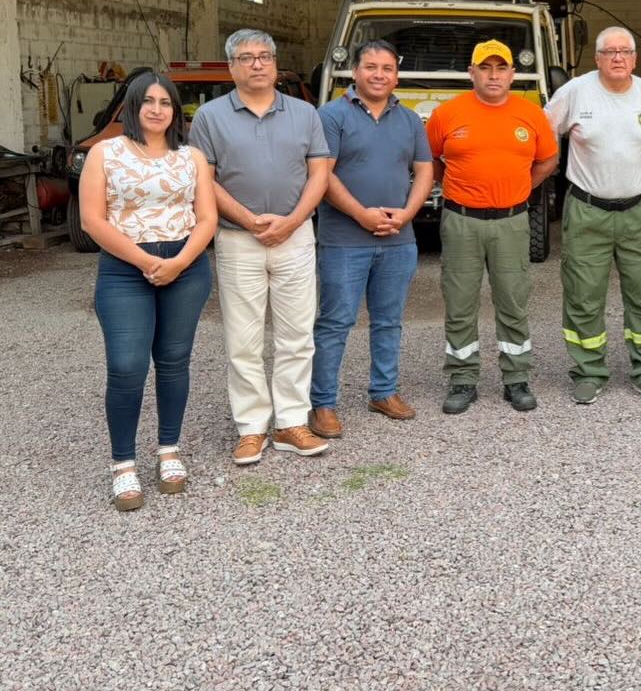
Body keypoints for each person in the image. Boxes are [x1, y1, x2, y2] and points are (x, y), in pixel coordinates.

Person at [188, 28, 332, 465]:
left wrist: (292, 221)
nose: (257, 64)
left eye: (265, 56)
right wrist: (250, 221)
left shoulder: (305, 113)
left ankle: (291, 423)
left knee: (297, 336)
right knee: (243, 339)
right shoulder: (210, 117)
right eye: (247, 57)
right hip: (238, 239)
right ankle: (251, 427)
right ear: (231, 67)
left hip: (296, 236)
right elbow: (205, 179)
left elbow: (319, 174)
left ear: (275, 64)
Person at [81, 72, 217, 511]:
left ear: (175, 111)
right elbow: (92, 220)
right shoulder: (105, 152)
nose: (157, 110)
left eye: (166, 102)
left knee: (174, 361)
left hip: (186, 268)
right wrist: (144, 261)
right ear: (132, 106)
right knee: (127, 366)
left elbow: (207, 219)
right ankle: (123, 462)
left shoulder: (191, 157)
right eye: (148, 101)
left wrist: (179, 262)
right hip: (124, 270)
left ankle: (168, 450)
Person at [308, 41, 434, 438]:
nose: (379, 75)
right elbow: (322, 174)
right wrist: (360, 214)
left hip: (399, 238)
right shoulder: (330, 115)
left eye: (387, 68)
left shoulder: (410, 120)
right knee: (335, 321)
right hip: (344, 239)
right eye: (371, 67)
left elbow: (425, 170)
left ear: (396, 75)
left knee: (389, 321)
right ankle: (322, 403)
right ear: (355, 72)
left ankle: (383, 391)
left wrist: (408, 213)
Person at [426, 39, 559, 414]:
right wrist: (454, 185)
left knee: (513, 302)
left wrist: (521, 189)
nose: (494, 75)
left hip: (511, 222)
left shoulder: (531, 114)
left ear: (512, 74)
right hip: (461, 221)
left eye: (501, 68)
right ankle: (462, 379)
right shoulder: (446, 114)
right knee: (460, 303)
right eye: (485, 68)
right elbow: (429, 159)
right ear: (472, 73)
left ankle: (516, 378)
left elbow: (548, 160)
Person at [546, 27, 641, 404]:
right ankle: (589, 371)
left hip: (639, 212)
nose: (618, 57)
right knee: (583, 296)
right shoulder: (574, 92)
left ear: (635, 58)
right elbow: (544, 137)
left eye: (625, 51)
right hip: (587, 211)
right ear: (596, 58)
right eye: (609, 51)